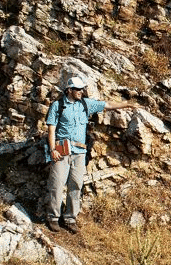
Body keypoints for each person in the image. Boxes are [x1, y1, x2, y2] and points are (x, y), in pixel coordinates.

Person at [45, 76, 138, 233]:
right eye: (78, 89)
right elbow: (51, 129)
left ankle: (70, 218)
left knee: (76, 185)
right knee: (57, 184)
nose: (81, 91)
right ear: (69, 90)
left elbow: (107, 105)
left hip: (80, 152)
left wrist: (127, 105)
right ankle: (53, 217)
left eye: (82, 89)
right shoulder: (57, 105)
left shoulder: (86, 104)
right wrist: (53, 149)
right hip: (62, 150)